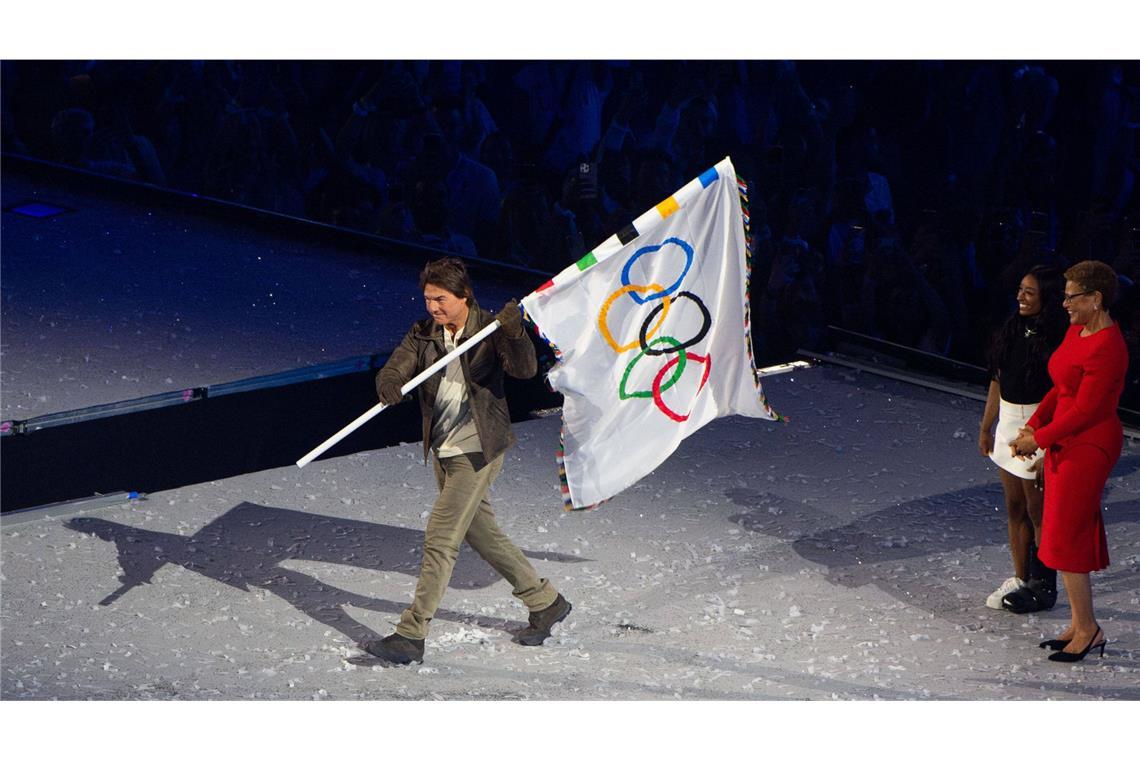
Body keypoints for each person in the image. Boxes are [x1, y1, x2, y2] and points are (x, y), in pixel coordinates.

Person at [366, 257, 571, 665]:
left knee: (441, 538)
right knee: (482, 534)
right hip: (444, 450)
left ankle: (411, 634)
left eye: (440, 299)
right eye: (427, 299)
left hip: (477, 450)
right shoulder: (424, 334)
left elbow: (525, 370)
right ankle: (544, 601)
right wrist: (389, 384)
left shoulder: (490, 328)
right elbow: (396, 367)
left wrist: (514, 333)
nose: (432, 307)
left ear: (463, 296)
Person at [1011, 260, 1127, 662]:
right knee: (1064, 533)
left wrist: (1039, 439)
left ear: (1095, 299)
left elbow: (1087, 411)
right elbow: (1061, 390)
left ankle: (1089, 628)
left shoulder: (1108, 346)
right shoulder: (1079, 330)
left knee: (1066, 535)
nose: (1063, 304)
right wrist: (1034, 428)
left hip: (1089, 445)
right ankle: (1080, 625)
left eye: (1071, 296)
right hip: (1066, 439)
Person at [978, 266, 1067, 612]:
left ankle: (1043, 585)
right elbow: (996, 382)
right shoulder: (1012, 328)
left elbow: (1063, 396)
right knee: (1015, 507)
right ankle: (1020, 578)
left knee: (1038, 510)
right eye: (1020, 290)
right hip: (1007, 425)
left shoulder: (1058, 340)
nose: (1020, 297)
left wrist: (1050, 447)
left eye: (1029, 292)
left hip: (1038, 425)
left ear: (1047, 297)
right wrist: (986, 427)